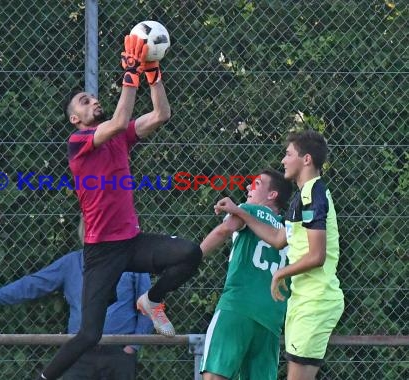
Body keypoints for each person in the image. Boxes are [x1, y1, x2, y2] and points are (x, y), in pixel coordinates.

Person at [35, 34, 202, 380]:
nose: (93, 101)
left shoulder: (119, 137)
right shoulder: (78, 142)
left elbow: (161, 114)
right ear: (75, 120)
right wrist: (130, 74)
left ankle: (152, 300)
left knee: (190, 254)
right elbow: (116, 120)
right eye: (85, 101)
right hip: (101, 252)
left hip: (131, 243)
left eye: (93, 97)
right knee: (89, 334)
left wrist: (152, 73)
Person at [215, 130, 344, 380]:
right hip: (304, 300)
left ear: (306, 159)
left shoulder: (313, 195)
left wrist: (280, 274)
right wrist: (239, 212)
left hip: (315, 302)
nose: (283, 160)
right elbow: (277, 238)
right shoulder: (301, 197)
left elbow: (317, 255)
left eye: (288, 154)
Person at [0, 218, 154, 380]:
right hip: (79, 353)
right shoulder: (71, 263)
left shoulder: (132, 263)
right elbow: (31, 285)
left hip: (118, 354)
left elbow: (147, 304)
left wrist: (132, 347)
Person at [199, 169, 293, 380]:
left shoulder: (248, 210)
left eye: (257, 184)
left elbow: (224, 230)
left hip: (238, 306)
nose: (249, 187)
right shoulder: (288, 230)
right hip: (272, 316)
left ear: (272, 195)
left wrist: (193, 256)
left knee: (215, 375)